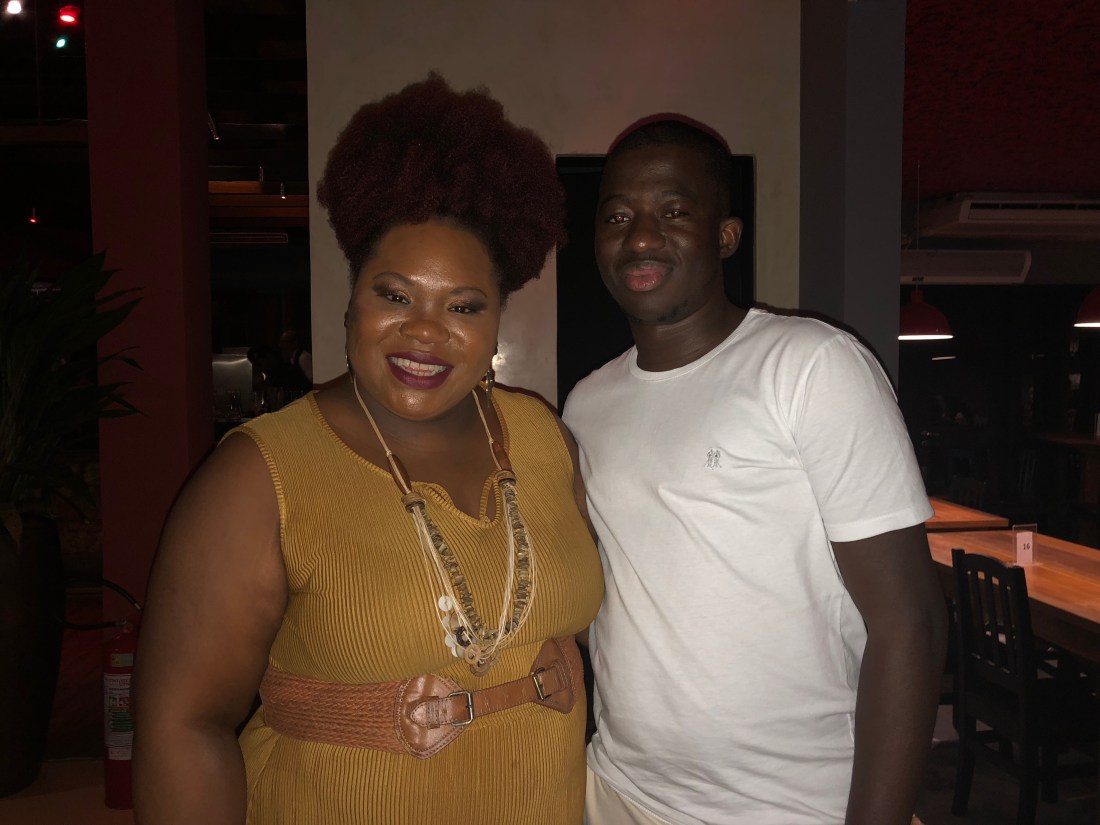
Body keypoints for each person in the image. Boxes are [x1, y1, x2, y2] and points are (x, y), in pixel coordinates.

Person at [133, 73, 604, 825]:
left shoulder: (544, 438)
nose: (426, 330)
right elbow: (183, 728)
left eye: (463, 306)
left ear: (496, 324)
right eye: (395, 295)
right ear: (351, 301)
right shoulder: (258, 475)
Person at [562, 116, 947, 825]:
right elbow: (616, 597)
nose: (640, 237)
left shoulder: (810, 366)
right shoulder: (587, 403)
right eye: (617, 216)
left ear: (726, 235)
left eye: (673, 212)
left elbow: (910, 620)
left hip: (790, 805)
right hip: (619, 791)